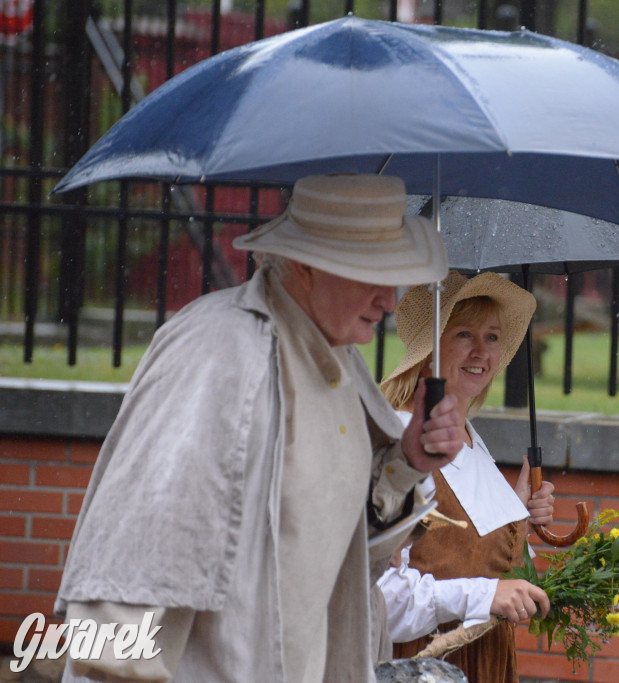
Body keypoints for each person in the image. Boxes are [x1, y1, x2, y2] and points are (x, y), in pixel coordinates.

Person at [54, 174, 464, 682]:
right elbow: (138, 559)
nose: (389, 299)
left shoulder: (337, 359)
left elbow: (341, 555)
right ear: (305, 267)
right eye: (369, 275)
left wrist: (406, 462)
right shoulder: (217, 352)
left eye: (394, 277)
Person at [377, 270, 554, 683]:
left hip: (484, 664)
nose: (482, 352)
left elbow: (482, 564)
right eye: (463, 334)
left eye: (492, 337)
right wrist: (484, 595)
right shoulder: (400, 440)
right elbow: (383, 600)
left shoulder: (471, 438)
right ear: (428, 350)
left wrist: (519, 519)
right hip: (425, 667)